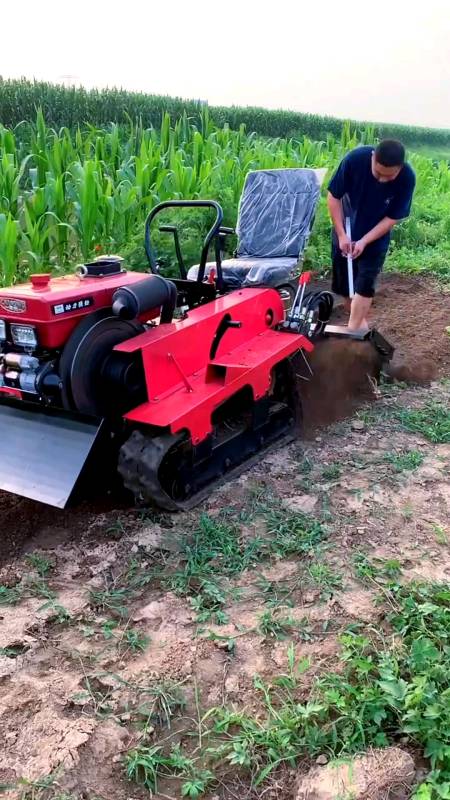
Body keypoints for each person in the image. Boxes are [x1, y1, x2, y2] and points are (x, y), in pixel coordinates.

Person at [327, 139, 416, 332]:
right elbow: (333, 196)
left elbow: (393, 217)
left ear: (400, 168)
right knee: (346, 287)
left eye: (389, 176)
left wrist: (365, 241)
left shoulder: (407, 178)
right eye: (378, 173)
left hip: (375, 238)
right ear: (373, 157)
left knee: (364, 285)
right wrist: (342, 235)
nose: (382, 180)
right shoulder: (355, 160)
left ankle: (351, 335)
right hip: (346, 230)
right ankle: (360, 332)